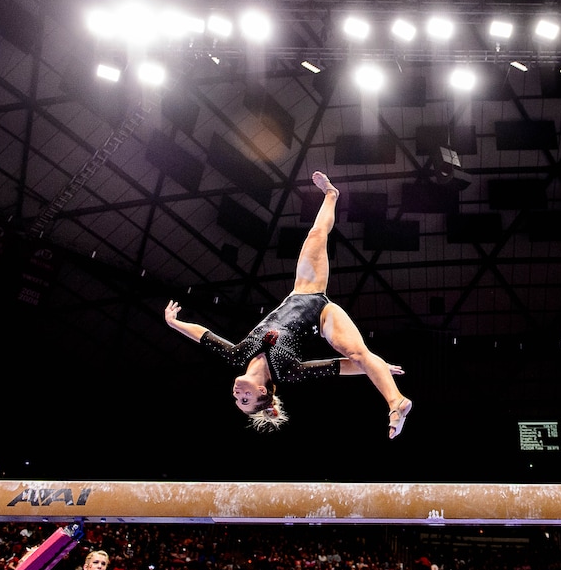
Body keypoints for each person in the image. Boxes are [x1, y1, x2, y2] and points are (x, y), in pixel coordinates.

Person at [164, 171, 412, 438]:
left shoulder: (236, 355)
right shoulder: (287, 372)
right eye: (245, 401)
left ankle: (331, 194)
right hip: (323, 318)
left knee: (316, 234)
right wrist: (371, 364)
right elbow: (339, 366)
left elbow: (203, 336)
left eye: (236, 400)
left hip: (304, 290)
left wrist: (173, 323)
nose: (237, 396)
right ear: (262, 392)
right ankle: (395, 402)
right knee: (357, 354)